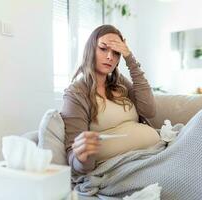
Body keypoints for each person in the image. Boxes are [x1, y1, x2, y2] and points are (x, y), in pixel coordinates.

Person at [60, 24, 161, 174]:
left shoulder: (119, 82)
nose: (110, 57)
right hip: (124, 167)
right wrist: (83, 156)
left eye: (116, 53)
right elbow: (75, 158)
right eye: (103, 48)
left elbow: (149, 110)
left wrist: (130, 59)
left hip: (155, 153)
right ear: (90, 49)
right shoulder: (76, 94)